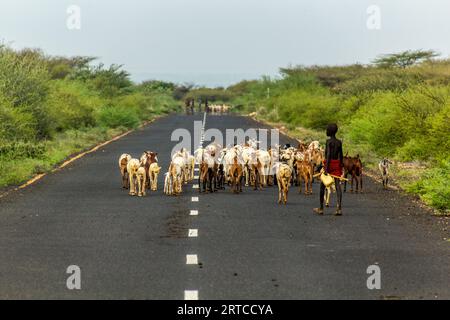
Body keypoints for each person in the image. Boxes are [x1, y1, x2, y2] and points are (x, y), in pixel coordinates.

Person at [313, 123, 344, 216]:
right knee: (338, 186)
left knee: (322, 186)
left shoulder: (328, 142)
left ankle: (321, 208)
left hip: (329, 164)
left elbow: (329, 155)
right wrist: (341, 167)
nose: (326, 131)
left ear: (329, 131)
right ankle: (339, 209)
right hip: (337, 164)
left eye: (327, 130)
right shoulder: (339, 142)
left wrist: (326, 169)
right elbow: (341, 156)